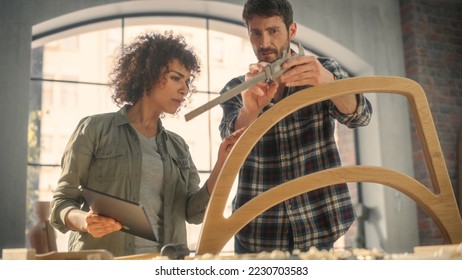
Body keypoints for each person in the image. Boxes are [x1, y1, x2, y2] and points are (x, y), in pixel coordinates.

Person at [50, 32, 244, 257]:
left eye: (187, 81)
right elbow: (61, 203)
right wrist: (85, 221)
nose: (185, 89)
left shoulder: (178, 146)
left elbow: (194, 213)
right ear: (148, 75)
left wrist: (222, 163)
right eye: (175, 78)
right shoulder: (95, 129)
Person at [219, 0, 373, 254]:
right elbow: (229, 146)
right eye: (255, 33)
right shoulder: (237, 88)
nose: (264, 42)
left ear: (291, 31)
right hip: (258, 227)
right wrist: (250, 109)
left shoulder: (323, 71)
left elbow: (361, 117)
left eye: (273, 31)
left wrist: (327, 82)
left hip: (319, 218)